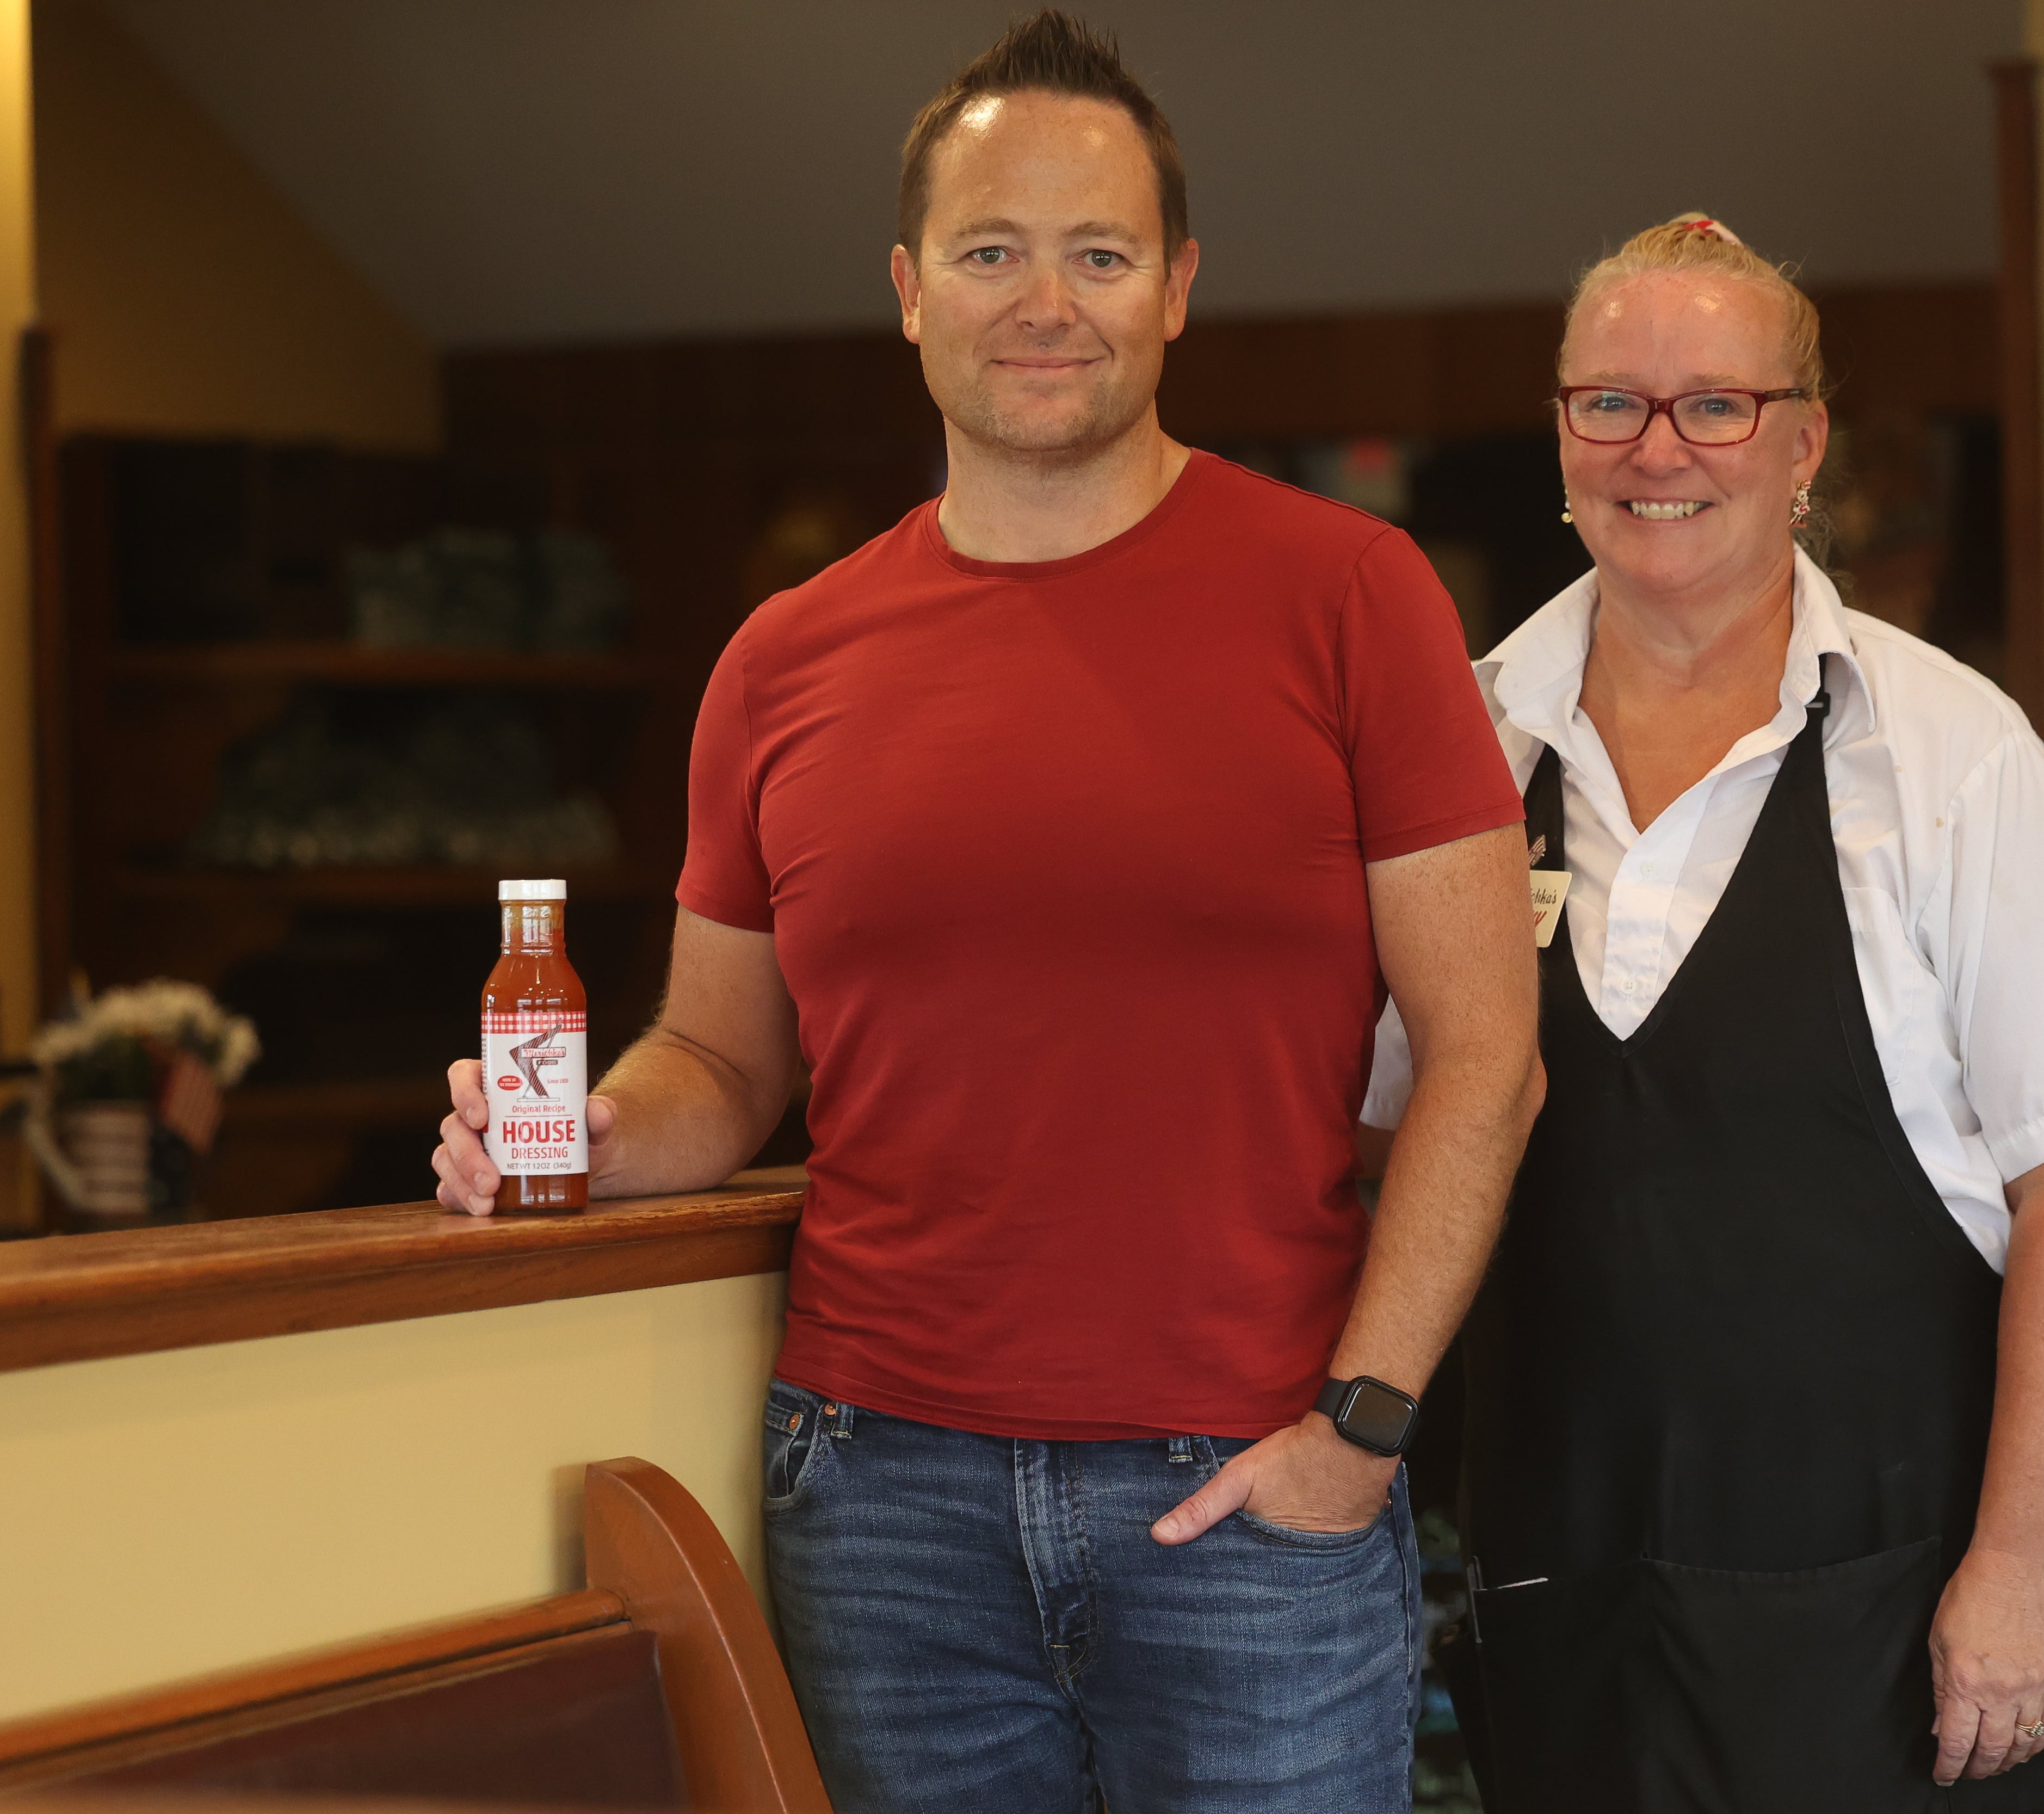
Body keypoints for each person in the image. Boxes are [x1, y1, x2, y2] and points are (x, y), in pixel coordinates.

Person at [433, 15, 1542, 1812]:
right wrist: (584, 1135)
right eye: (992, 251)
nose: (1049, 300)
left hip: (1254, 1489)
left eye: (1100, 254)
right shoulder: (783, 659)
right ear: (908, 289)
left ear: (1176, 288)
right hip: (879, 1502)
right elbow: (724, 1053)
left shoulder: (1351, 596)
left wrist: (1362, 1428)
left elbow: (1490, 1055)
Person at [1360, 214, 2044, 1812]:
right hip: (1564, 1602)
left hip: (1903, 1616)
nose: (1655, 448)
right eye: (1608, 402)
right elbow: (1377, 1142)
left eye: (1715, 405)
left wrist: (2016, 1568)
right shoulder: (1462, 747)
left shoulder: (1952, 754)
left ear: (1803, 443)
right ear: (1560, 434)